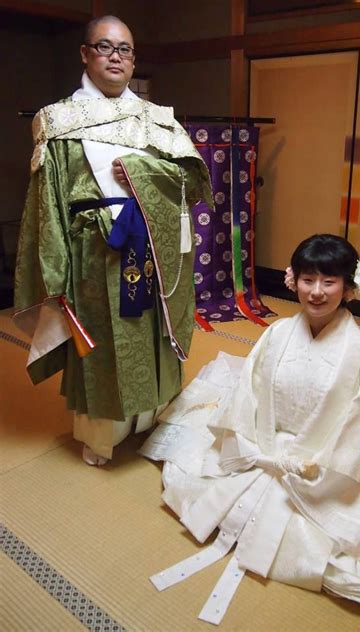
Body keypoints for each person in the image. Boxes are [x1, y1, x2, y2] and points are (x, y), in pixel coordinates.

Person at [141, 234, 360, 624]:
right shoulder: (277, 333)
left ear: (349, 287)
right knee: (198, 481)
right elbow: (251, 393)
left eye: (329, 282)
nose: (316, 292)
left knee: (355, 554)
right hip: (266, 446)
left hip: (325, 464)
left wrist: (316, 462)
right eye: (307, 279)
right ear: (292, 281)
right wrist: (260, 445)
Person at [14, 16, 212, 465]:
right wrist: (56, 269)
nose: (116, 56)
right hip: (94, 255)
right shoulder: (59, 120)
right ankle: (101, 434)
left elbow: (193, 181)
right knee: (104, 346)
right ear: (86, 54)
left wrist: (144, 172)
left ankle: (151, 416)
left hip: (155, 252)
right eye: (105, 47)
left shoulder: (155, 119)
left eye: (124, 49)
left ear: (134, 58)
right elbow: (47, 202)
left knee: (151, 338)